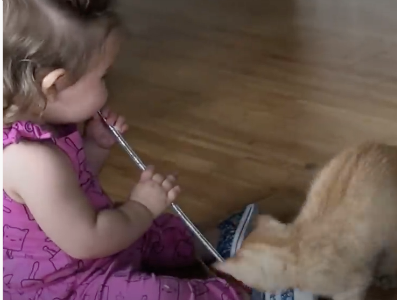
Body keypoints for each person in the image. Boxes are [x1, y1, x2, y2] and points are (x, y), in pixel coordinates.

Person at [3, 1, 260, 299]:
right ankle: (236, 293)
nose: (108, 86)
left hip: (92, 247)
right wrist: (141, 207)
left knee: (147, 231)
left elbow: (71, 188)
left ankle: (211, 242)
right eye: (102, 76)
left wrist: (95, 146)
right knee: (154, 290)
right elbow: (89, 240)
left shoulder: (48, 124)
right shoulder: (30, 160)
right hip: (68, 284)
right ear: (55, 86)